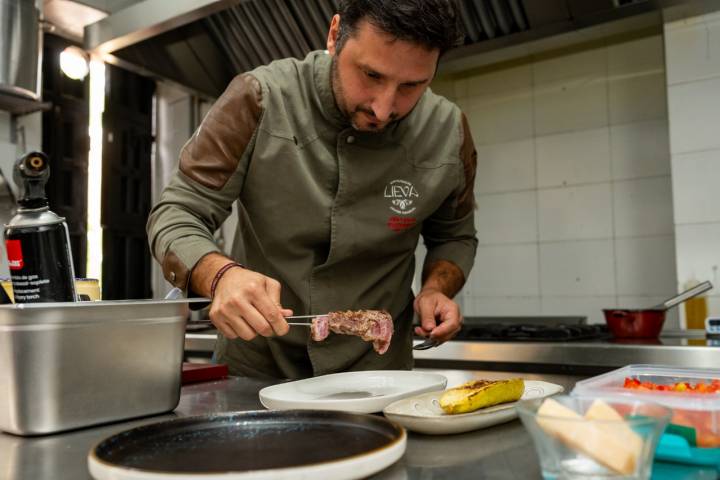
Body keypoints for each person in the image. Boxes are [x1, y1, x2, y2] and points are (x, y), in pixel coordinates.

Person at [147, 0, 478, 379]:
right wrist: (219, 274)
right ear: (335, 34)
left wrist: (437, 289)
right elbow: (177, 212)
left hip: (379, 374)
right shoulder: (258, 98)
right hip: (257, 366)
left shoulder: (448, 132)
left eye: (412, 86)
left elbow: (456, 236)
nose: (384, 109)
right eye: (371, 75)